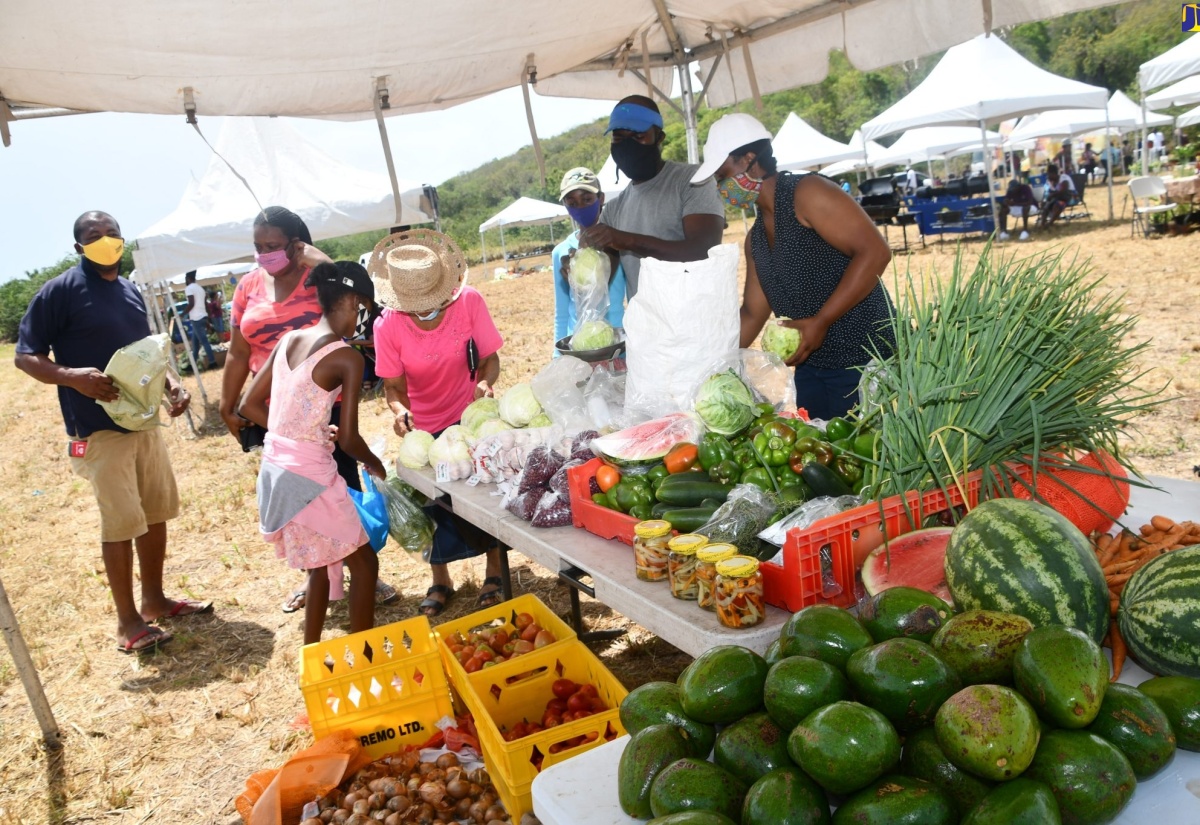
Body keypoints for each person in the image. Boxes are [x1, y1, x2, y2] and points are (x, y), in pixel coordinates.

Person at [14, 211, 207, 655]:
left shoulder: (128, 289)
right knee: (121, 522)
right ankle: (127, 622)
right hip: (98, 428)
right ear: (79, 247)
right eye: (93, 236)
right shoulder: (60, 291)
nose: (105, 240)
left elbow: (144, 355)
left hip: (141, 422)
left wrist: (173, 386)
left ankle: (155, 600)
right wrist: (71, 376)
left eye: (111, 233)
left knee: (154, 513)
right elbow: (26, 356)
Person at [218, 206, 399, 612]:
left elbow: (345, 288)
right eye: (258, 246)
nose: (264, 253)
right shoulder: (248, 288)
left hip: (314, 413)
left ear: (297, 244)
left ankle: (344, 574)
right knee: (326, 514)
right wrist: (227, 404)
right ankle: (334, 571)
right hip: (284, 412)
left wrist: (319, 259)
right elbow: (237, 349)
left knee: (341, 498)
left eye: (273, 246)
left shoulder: (317, 281)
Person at [690, 114, 895, 420]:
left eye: (723, 176)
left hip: (864, 358)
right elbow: (752, 313)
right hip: (812, 366)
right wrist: (707, 363)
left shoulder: (807, 193)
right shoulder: (755, 239)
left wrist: (821, 320)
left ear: (749, 159)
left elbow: (875, 252)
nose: (722, 188)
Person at [239, 262, 384, 645]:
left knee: (319, 565)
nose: (361, 321)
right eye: (364, 310)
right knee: (365, 563)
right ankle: (362, 657)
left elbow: (249, 405)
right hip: (309, 476)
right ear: (353, 302)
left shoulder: (288, 340)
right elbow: (350, 438)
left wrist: (300, 435)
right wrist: (375, 462)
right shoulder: (345, 356)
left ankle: (311, 655)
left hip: (276, 469)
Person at [369, 229, 506, 617]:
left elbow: (490, 359)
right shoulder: (387, 326)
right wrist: (399, 412)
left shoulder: (470, 303)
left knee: (486, 497)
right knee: (433, 506)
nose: (423, 309)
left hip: (470, 417)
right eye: (413, 304)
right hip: (424, 427)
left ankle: (495, 571)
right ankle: (440, 578)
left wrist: (484, 383)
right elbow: (393, 386)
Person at [578, 96, 725, 298]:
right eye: (619, 138)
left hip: (694, 322)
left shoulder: (692, 180)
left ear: (659, 137)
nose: (628, 145)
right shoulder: (613, 210)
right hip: (645, 325)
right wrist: (580, 267)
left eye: (638, 136)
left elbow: (704, 250)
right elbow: (601, 280)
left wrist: (627, 240)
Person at [552, 167, 626, 351]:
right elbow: (562, 312)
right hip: (579, 345)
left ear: (601, 199)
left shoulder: (618, 242)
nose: (580, 207)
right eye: (572, 202)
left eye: (587, 199)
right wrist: (558, 355)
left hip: (615, 342)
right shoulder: (561, 252)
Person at [184, 270, 218, 370]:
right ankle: (192, 365)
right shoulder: (200, 288)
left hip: (196, 318)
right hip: (202, 316)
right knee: (195, 343)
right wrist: (208, 317)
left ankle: (213, 362)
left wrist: (182, 314)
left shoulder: (189, 288)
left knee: (204, 341)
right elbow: (205, 304)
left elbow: (191, 303)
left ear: (188, 278)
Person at [1039, 164, 1077, 228]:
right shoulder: (1051, 182)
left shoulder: (1064, 178)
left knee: (1058, 204)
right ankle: (1043, 224)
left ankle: (1050, 223)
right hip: (1059, 198)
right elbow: (1050, 192)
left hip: (1071, 198)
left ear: (1053, 173)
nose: (1048, 176)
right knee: (1046, 204)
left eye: (1049, 174)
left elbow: (1064, 190)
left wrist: (1052, 195)